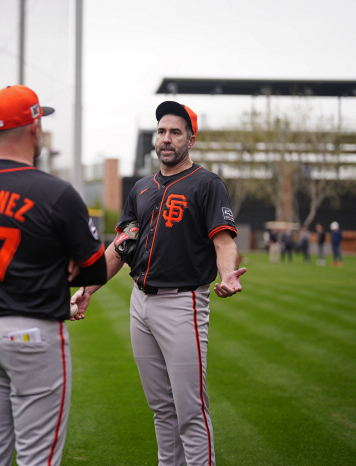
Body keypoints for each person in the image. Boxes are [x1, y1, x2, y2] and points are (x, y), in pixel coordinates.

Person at [71, 101, 246, 466]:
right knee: (161, 409)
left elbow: (224, 241)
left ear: (190, 140)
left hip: (183, 304)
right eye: (162, 131)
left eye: (175, 132)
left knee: (191, 410)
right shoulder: (141, 189)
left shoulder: (207, 184)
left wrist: (227, 274)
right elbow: (121, 246)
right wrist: (88, 287)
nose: (166, 139)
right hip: (141, 303)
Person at [0, 85, 107, 466]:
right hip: (29, 332)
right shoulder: (55, 192)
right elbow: (95, 268)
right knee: (38, 456)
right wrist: (63, 265)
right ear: (35, 129)